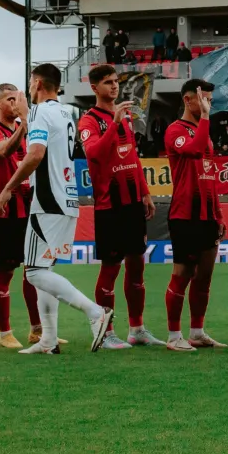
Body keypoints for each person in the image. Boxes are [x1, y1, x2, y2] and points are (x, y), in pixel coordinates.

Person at [0, 63, 115, 355]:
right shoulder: (68, 112)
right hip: (68, 198)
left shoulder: (39, 114)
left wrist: (8, 187)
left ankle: (95, 312)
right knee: (43, 269)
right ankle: (48, 339)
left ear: (36, 83)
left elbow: (35, 155)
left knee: (34, 273)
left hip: (47, 200)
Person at [79, 64, 158, 347]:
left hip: (133, 203)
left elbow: (132, 158)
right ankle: (107, 331)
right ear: (94, 88)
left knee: (137, 265)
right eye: (108, 83)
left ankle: (137, 329)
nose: (114, 87)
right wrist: (113, 123)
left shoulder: (123, 118)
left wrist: (146, 193)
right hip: (109, 205)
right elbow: (96, 154)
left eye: (116, 82)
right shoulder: (89, 121)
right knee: (111, 268)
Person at [163, 79, 227, 350]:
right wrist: (206, 118)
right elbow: (194, 150)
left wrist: (220, 214)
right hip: (185, 214)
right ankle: (174, 336)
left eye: (210, 100)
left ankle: (197, 332)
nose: (207, 104)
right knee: (182, 274)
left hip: (208, 215)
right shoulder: (175, 130)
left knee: (204, 277)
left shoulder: (204, 131)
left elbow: (209, 175)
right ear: (188, 100)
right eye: (204, 99)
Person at [0, 83, 43, 350]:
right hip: (5, 211)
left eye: (18, 98)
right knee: (6, 271)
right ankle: (5, 333)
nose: (15, 103)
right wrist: (24, 123)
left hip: (28, 207)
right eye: (10, 99)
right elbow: (4, 151)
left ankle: (37, 330)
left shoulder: (27, 129)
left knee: (34, 272)